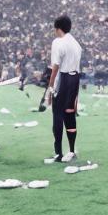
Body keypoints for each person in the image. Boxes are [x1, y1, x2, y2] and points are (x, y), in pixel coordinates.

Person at [45, 15, 83, 162]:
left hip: (64, 78)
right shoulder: (76, 43)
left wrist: (50, 86)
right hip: (75, 79)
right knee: (70, 113)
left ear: (57, 28)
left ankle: (58, 153)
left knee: (57, 114)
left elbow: (56, 66)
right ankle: (72, 150)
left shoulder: (58, 42)